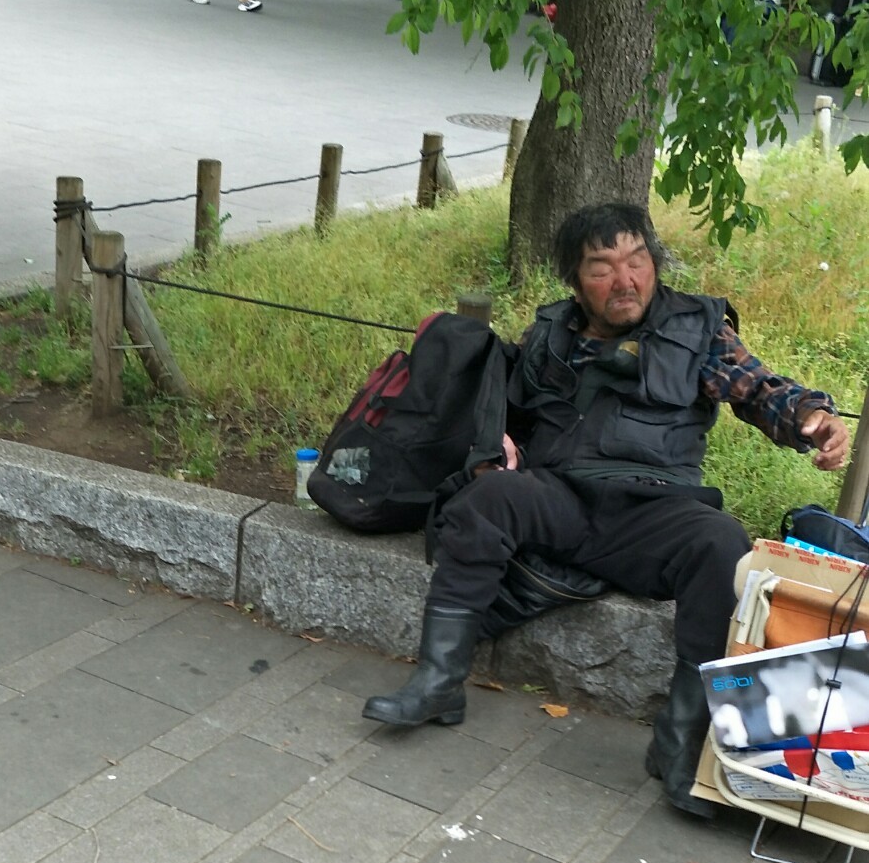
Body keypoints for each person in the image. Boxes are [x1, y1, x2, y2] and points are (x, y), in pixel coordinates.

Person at [361, 202, 851, 819]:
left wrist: (811, 418)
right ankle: (438, 683)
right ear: (575, 279)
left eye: (636, 261)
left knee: (723, 545)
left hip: (656, 512)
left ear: (653, 262)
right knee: (485, 499)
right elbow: (504, 413)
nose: (625, 280)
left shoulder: (699, 328)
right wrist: (495, 448)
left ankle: (678, 739)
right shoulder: (550, 334)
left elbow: (760, 388)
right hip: (562, 497)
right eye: (602, 267)